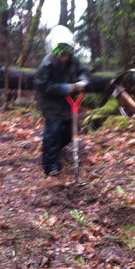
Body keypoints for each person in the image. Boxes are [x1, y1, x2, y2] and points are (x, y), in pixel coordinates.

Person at [33, 25, 90, 176]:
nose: (64, 57)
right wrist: (66, 88)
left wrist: (83, 81)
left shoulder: (74, 61)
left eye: (66, 54)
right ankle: (51, 166)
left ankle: (56, 150)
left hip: (68, 103)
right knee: (53, 132)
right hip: (51, 103)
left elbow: (83, 72)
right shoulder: (47, 64)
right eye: (61, 54)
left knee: (69, 131)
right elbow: (43, 86)